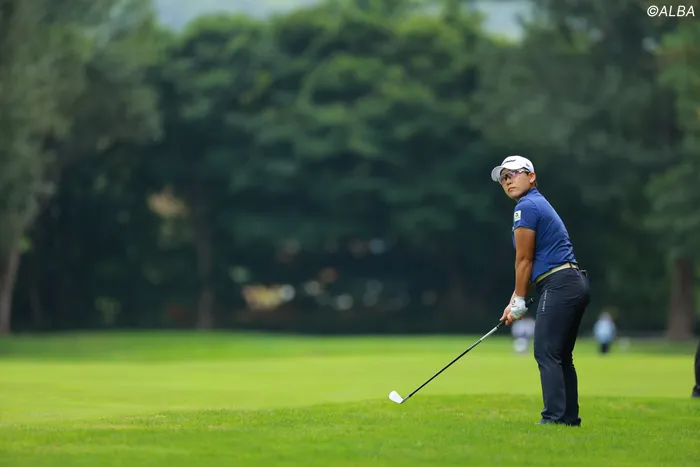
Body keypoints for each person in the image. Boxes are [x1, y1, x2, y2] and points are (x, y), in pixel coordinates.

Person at [492, 155, 591, 427]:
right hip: (573, 282)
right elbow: (530, 261)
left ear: (531, 176)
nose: (508, 180)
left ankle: (553, 418)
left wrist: (520, 299)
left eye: (514, 173)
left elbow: (524, 260)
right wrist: (514, 299)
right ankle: (568, 419)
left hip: (560, 283)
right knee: (561, 355)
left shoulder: (526, 206)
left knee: (546, 352)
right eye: (504, 177)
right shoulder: (536, 203)